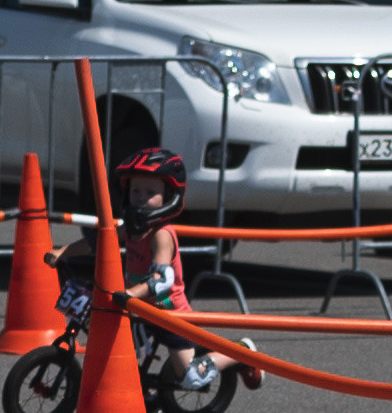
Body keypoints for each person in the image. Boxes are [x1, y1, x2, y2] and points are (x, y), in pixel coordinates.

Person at [63, 147, 260, 393]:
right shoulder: (133, 228)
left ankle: (241, 352)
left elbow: (163, 279)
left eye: (150, 192)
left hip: (168, 313)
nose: (141, 197)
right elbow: (98, 242)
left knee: (191, 379)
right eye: (135, 190)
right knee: (117, 348)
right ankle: (136, 393)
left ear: (168, 196)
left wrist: (132, 293)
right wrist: (62, 252)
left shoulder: (161, 235)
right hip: (139, 308)